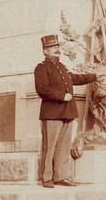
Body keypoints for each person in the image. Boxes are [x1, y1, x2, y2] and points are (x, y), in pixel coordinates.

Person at [34, 34, 97, 188]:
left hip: (67, 112)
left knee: (63, 146)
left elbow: (75, 79)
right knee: (50, 147)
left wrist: (95, 76)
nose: (57, 49)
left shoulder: (61, 67)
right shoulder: (41, 68)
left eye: (57, 47)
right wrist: (62, 96)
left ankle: (60, 176)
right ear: (45, 51)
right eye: (53, 47)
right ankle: (47, 177)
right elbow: (42, 89)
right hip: (52, 113)